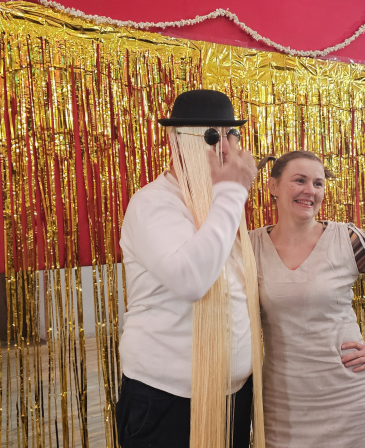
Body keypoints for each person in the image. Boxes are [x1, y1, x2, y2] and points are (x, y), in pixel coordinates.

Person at [250, 151, 365, 448]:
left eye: (318, 183)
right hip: (284, 408)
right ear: (273, 186)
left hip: (355, 401)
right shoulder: (250, 246)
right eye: (299, 180)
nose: (310, 191)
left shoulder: (348, 239)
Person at [116, 89, 261, 448]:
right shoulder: (153, 204)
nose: (224, 148)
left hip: (233, 396)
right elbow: (192, 280)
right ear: (178, 143)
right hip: (168, 401)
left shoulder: (219, 205)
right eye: (211, 136)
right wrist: (232, 193)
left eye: (231, 134)